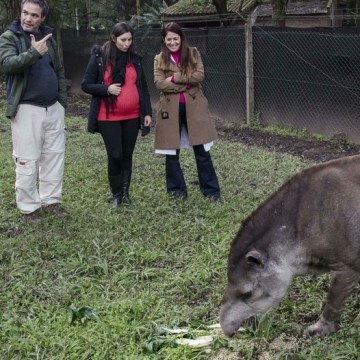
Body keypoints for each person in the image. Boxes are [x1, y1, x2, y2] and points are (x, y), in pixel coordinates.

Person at [0, 0, 68, 224]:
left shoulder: (48, 37)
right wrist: (34, 52)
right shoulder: (9, 37)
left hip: (53, 108)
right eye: (25, 13)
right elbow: (7, 65)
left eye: (34, 15)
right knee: (27, 159)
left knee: (54, 156)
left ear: (42, 18)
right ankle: (29, 208)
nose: (28, 18)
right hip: (26, 108)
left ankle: (51, 201)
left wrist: (61, 101)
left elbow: (58, 69)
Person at [82, 22, 152, 209]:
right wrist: (106, 89)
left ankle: (125, 193)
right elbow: (86, 84)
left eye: (129, 40)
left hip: (132, 115)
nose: (126, 43)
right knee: (115, 155)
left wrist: (147, 112)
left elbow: (143, 86)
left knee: (127, 155)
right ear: (113, 38)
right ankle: (116, 195)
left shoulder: (135, 59)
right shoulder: (100, 58)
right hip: (108, 116)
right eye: (123, 40)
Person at [154, 22, 220, 200]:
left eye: (175, 38)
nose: (172, 42)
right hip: (170, 110)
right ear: (164, 39)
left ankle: (211, 191)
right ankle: (176, 191)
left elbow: (200, 76)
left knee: (202, 151)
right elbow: (160, 84)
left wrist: (175, 78)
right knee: (171, 152)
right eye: (169, 39)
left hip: (195, 108)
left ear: (181, 38)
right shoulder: (159, 58)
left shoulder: (193, 53)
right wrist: (187, 85)